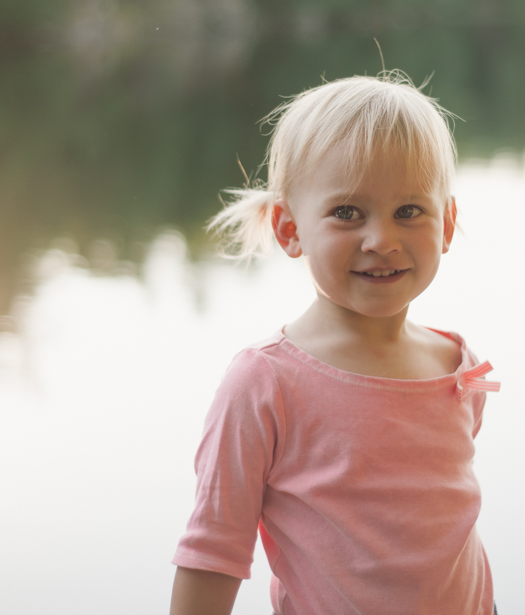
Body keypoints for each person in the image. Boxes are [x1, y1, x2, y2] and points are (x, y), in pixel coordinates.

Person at [169, 73, 501, 615]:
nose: (382, 240)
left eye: (409, 211)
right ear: (289, 229)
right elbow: (213, 552)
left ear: (447, 224)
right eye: (347, 213)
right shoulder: (264, 384)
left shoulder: (460, 367)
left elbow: (450, 536)